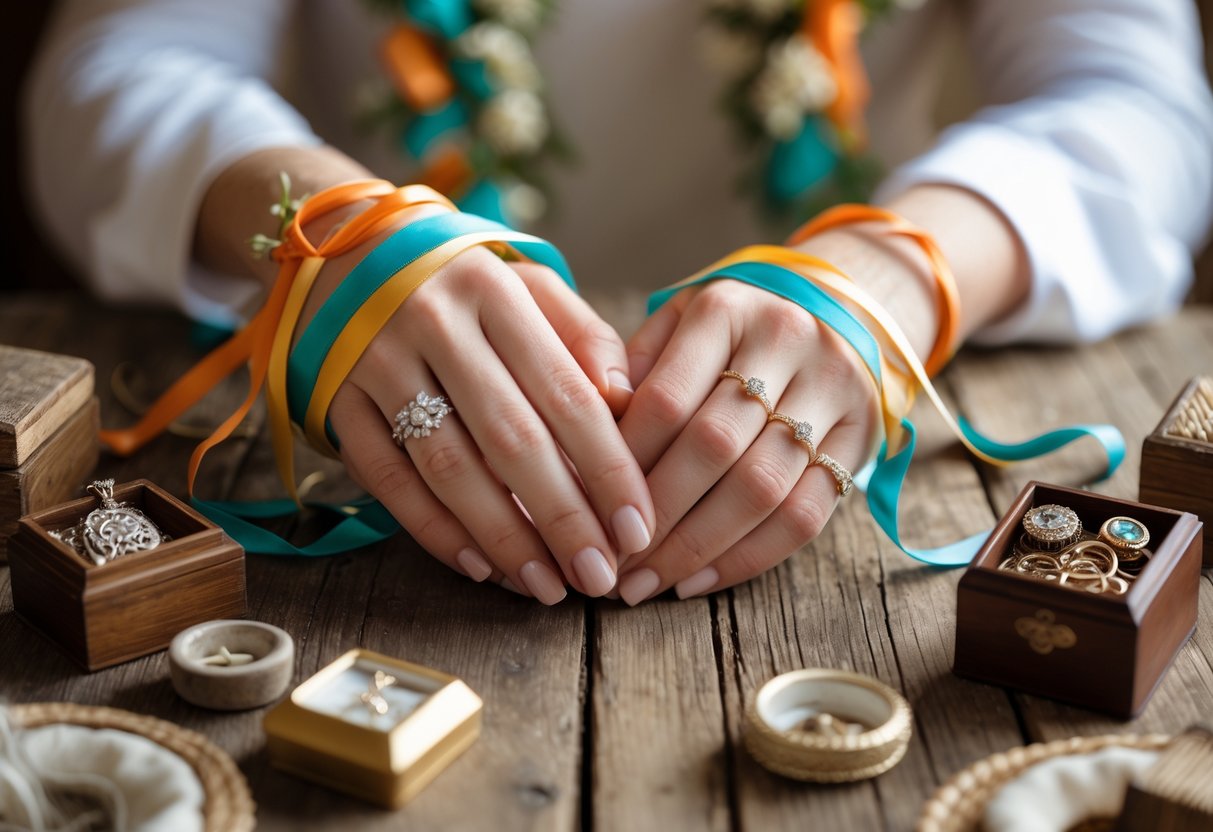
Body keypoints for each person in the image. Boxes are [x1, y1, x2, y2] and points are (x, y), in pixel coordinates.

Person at [25, 0, 1213, 606]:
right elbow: (117, 69)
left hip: (841, 349)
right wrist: (342, 241)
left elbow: (1133, 103)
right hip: (372, 365)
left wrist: (888, 281)